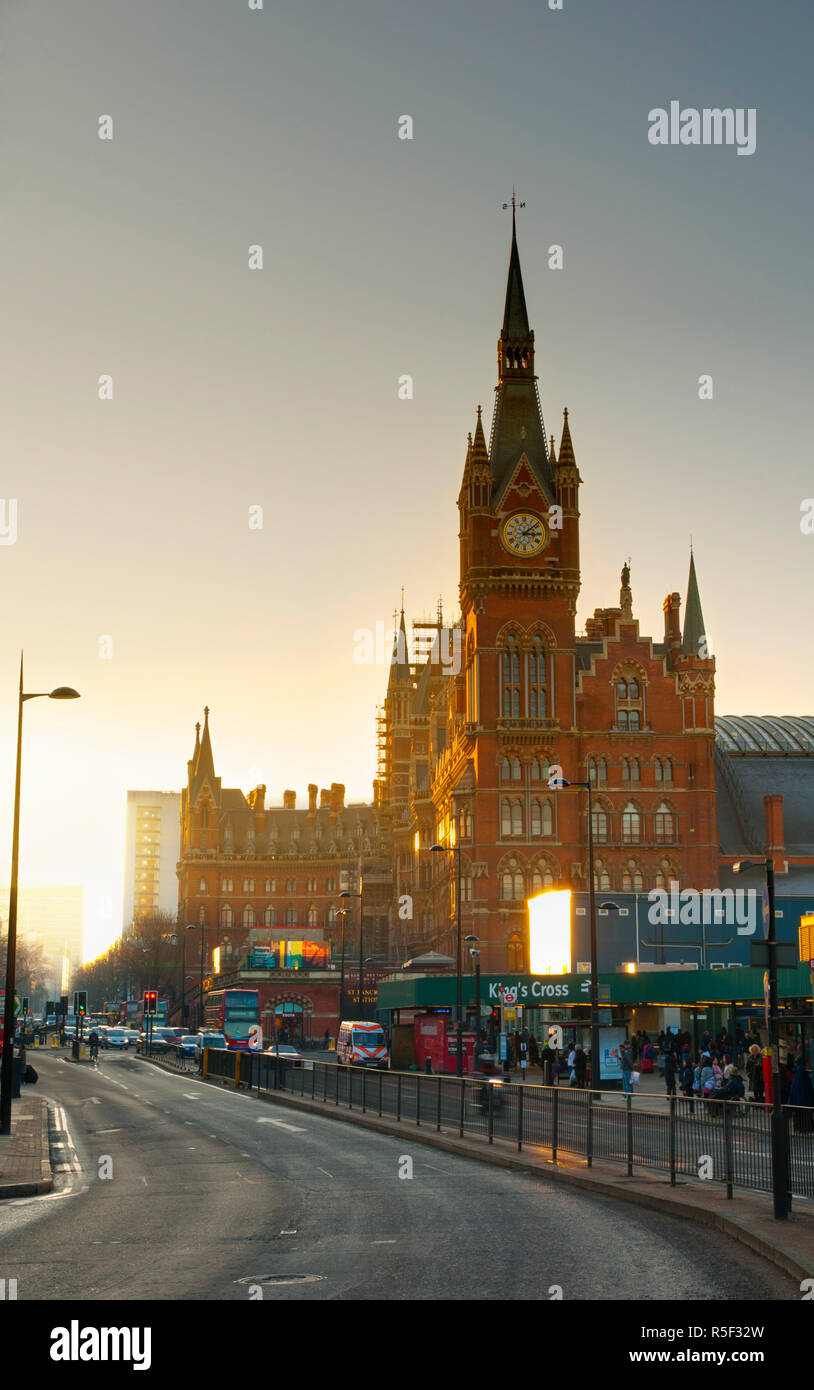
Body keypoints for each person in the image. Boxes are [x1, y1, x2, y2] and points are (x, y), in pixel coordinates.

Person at [789, 1061, 814, 1132]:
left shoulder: (796, 1080)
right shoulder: (805, 1078)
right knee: (805, 1116)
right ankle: (806, 1128)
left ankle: (798, 1128)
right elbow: (809, 1090)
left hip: (797, 1105)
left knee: (798, 1115)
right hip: (805, 1104)